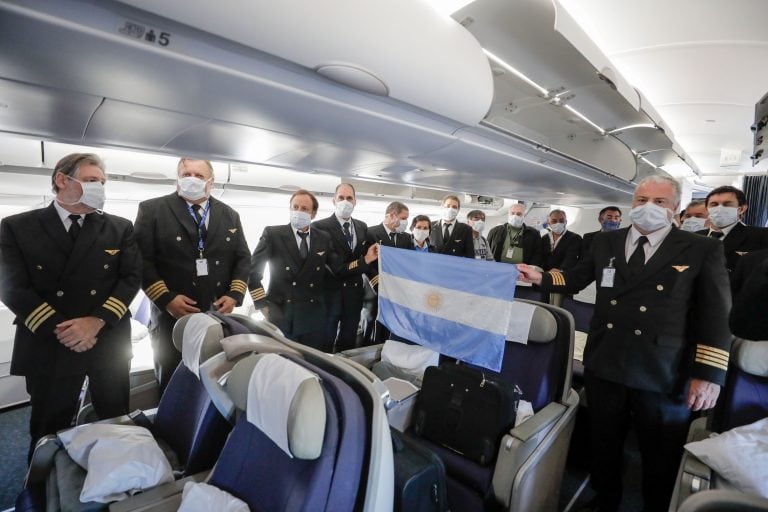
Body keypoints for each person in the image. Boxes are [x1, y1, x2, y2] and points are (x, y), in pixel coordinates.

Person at [517, 174, 732, 512]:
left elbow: (716, 315)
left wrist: (708, 374)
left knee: (659, 454)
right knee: (604, 444)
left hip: (663, 370)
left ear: (674, 209)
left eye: (659, 202)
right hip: (606, 361)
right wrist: (541, 275)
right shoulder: (606, 242)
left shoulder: (702, 248)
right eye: (641, 199)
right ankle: (606, 499)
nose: (648, 207)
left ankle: (656, 506)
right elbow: (575, 277)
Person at [0, 153, 141, 458]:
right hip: (50, 339)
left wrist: (96, 321)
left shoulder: (119, 227)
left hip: (107, 338)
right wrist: (64, 329)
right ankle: (41, 493)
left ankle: (119, 482)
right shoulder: (17, 226)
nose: (99, 188)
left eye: (102, 183)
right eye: (91, 181)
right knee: (48, 427)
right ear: (62, 180)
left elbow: (131, 279)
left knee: (116, 419)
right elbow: (12, 287)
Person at [134, 158, 251, 395]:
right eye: (186, 173)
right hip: (171, 318)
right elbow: (140, 260)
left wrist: (234, 295)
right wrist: (166, 299)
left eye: (199, 175)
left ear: (211, 182)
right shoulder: (153, 210)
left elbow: (242, 258)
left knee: (213, 381)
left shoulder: (229, 215)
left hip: (215, 315)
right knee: (171, 382)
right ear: (177, 177)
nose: (192, 179)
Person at [250, 190, 378, 352]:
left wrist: (366, 259)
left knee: (312, 362)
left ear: (313, 214)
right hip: (281, 313)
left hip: (313, 317)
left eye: (304, 209)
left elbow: (339, 269)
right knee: (283, 362)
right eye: (295, 207)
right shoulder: (273, 234)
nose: (298, 212)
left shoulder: (322, 238)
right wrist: (263, 305)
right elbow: (253, 273)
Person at [311, 183, 378, 352]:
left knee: (348, 342)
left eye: (349, 198)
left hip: (354, 297)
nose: (345, 201)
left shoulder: (362, 227)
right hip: (331, 295)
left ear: (355, 202)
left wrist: (377, 280)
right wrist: (367, 259)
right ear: (334, 200)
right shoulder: (319, 227)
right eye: (341, 197)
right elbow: (337, 268)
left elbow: (370, 258)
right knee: (326, 341)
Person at [365, 202, 412, 343]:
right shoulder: (371, 233)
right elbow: (368, 264)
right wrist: (379, 284)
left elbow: (407, 263)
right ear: (392, 215)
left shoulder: (405, 237)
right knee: (374, 325)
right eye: (403, 218)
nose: (406, 222)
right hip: (377, 289)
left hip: (398, 291)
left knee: (392, 328)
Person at [698, 185, 768, 273]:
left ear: (741, 209)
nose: (719, 208)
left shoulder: (761, 236)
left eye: (727, 204)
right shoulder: (695, 235)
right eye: (714, 204)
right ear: (707, 209)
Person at [487, 202, 543, 267]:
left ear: (523, 216)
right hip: (498, 270)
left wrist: (530, 270)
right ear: (508, 214)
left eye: (519, 214)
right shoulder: (495, 231)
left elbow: (537, 255)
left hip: (522, 273)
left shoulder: (533, 234)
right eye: (512, 213)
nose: (515, 216)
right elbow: (487, 250)